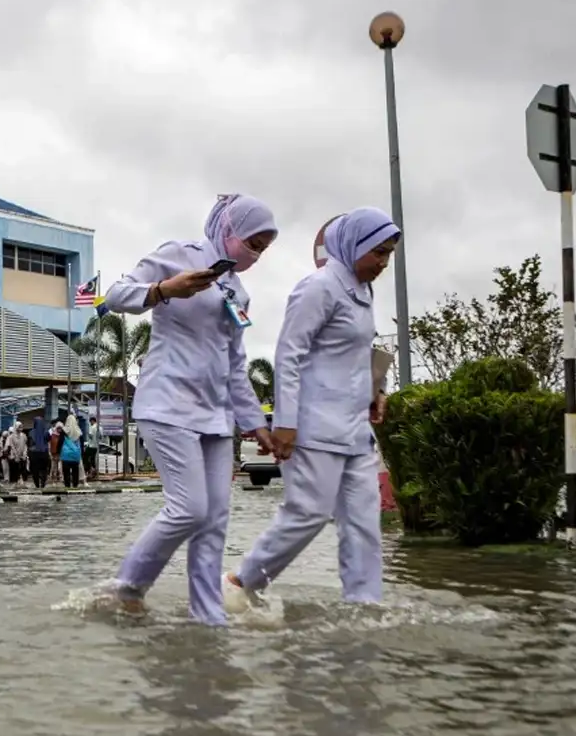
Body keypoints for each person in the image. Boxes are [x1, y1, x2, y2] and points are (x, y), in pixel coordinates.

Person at [102, 193, 277, 624]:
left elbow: (236, 364)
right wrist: (164, 290)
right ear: (229, 230)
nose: (255, 253)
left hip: (216, 417)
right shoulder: (178, 255)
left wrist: (255, 423)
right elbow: (115, 294)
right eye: (252, 241)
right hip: (166, 404)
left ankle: (208, 615)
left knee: (215, 519)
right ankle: (128, 586)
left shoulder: (238, 291)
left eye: (264, 247)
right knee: (189, 507)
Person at [226, 207, 401, 606]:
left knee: (363, 523)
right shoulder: (318, 287)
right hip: (314, 426)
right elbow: (290, 354)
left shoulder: (363, 292)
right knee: (307, 514)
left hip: (355, 430)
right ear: (354, 245)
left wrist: (376, 391)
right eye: (378, 252)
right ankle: (242, 582)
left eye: (389, 254)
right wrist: (286, 422)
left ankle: (364, 604)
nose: (383, 263)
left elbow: (354, 355)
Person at [30, 413, 52, 489]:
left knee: (35, 470)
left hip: (34, 454)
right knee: (44, 470)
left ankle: (36, 485)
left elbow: (30, 444)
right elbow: (49, 440)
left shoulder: (31, 432)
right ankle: (42, 485)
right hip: (44, 453)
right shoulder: (46, 432)